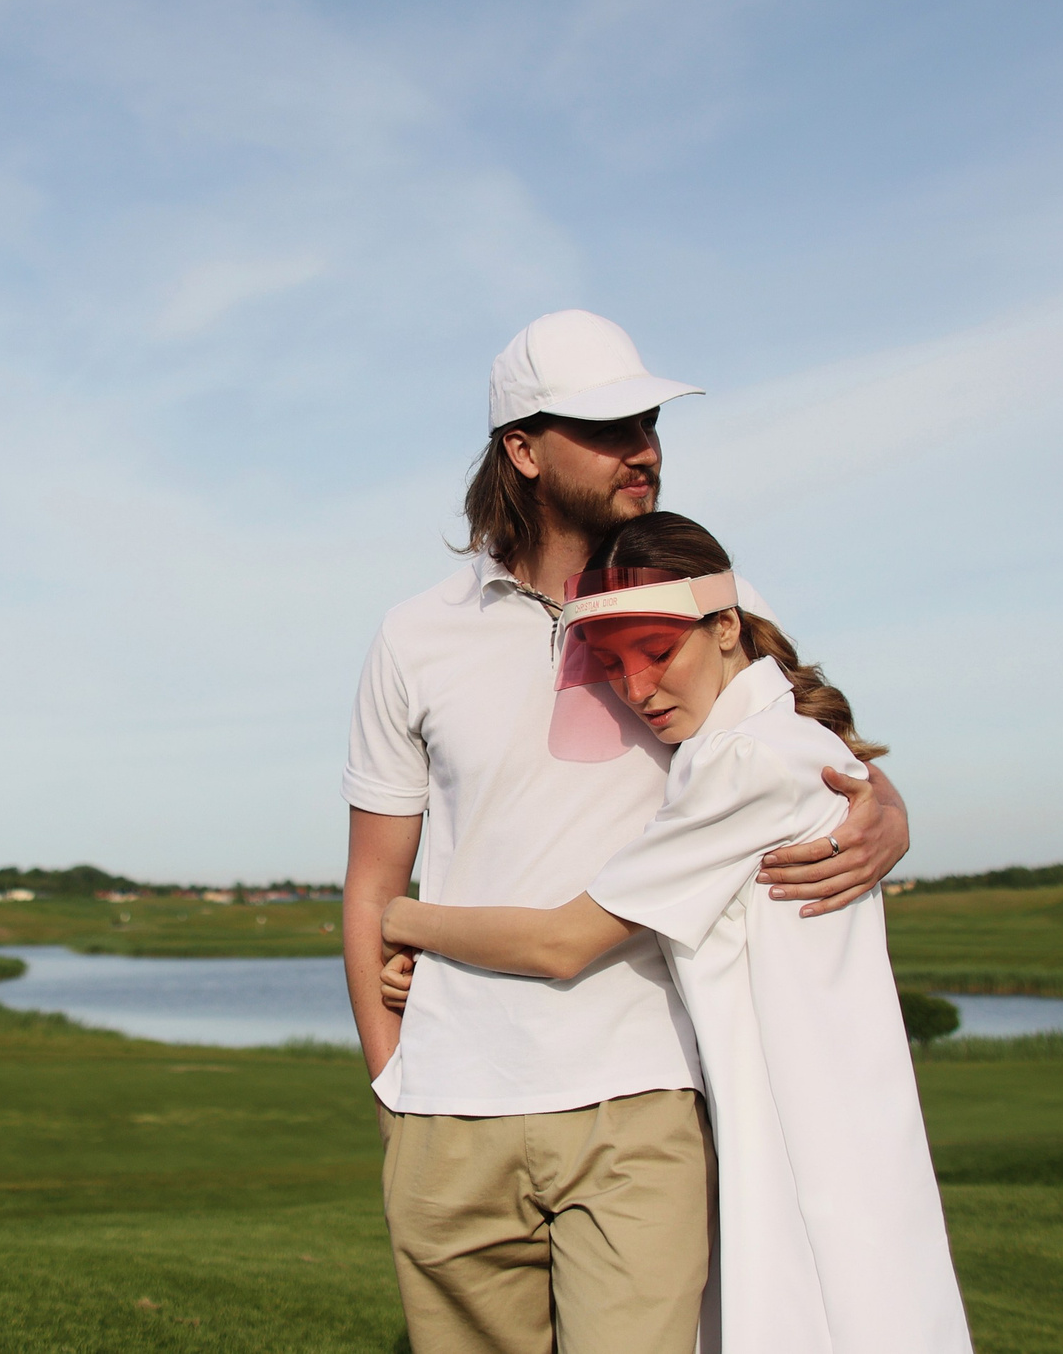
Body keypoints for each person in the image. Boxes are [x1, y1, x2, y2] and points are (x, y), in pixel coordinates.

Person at [343, 310, 913, 1354]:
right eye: (605, 427)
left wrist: (892, 819)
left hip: (643, 1094)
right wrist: (391, 1084)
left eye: (645, 420)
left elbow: (812, 755)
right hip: (448, 1108)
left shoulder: (709, 596)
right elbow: (369, 883)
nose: (640, 446)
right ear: (521, 449)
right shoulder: (415, 634)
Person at [380, 511, 971, 1354]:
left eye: (659, 652)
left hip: (801, 1111)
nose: (637, 687)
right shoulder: (772, 745)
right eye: (614, 664)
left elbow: (564, 940)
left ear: (726, 625)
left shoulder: (746, 762)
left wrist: (407, 919)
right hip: (811, 1093)